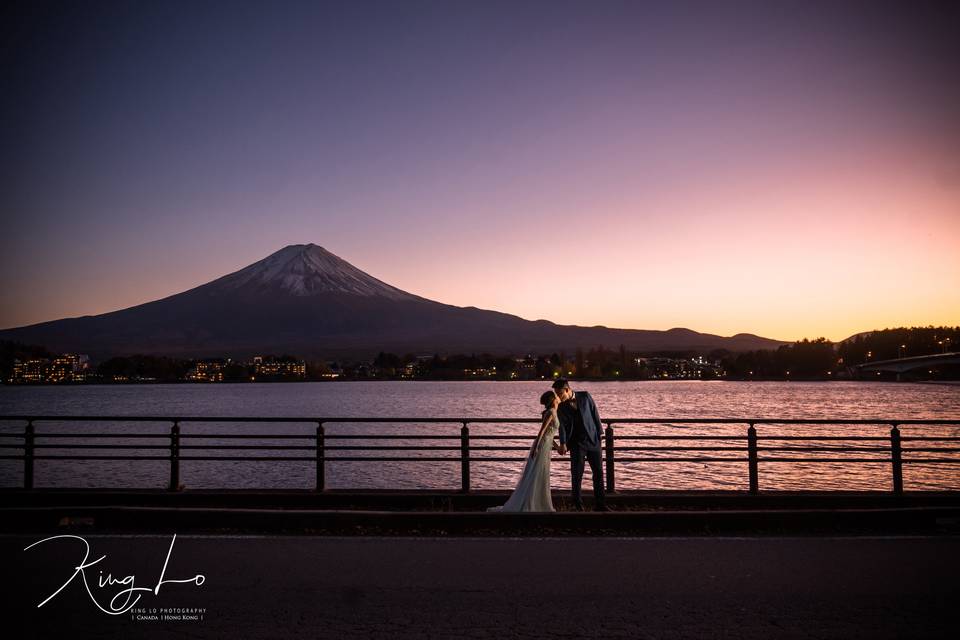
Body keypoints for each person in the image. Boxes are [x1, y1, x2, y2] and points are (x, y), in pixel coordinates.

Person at [487, 390, 561, 512]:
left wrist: (557, 447)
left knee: (542, 474)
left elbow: (549, 434)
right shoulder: (551, 412)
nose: (558, 397)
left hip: (547, 445)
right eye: (556, 396)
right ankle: (532, 503)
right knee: (537, 473)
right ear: (553, 400)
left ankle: (539, 502)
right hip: (542, 446)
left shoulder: (554, 412)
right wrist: (536, 447)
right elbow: (542, 432)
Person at [552, 378, 609, 511]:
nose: (558, 397)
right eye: (556, 395)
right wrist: (563, 443)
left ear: (567, 390)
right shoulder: (561, 407)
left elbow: (595, 413)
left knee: (599, 473)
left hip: (593, 441)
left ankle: (601, 505)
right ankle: (578, 505)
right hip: (577, 444)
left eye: (560, 394)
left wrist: (599, 435)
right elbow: (562, 428)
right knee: (577, 474)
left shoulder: (585, 396)